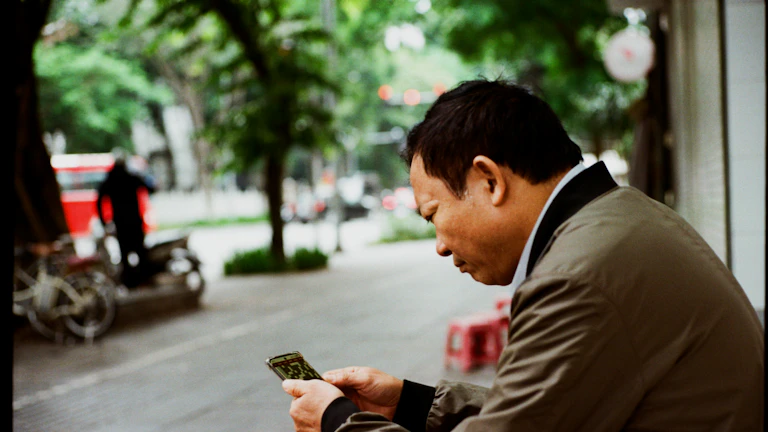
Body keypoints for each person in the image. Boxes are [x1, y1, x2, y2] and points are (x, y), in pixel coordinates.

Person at [281, 79, 765, 432]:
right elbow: (551, 408)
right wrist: (410, 404)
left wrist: (338, 421)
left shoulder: (578, 278)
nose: (441, 245)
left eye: (433, 214)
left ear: (489, 180)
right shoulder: (619, 219)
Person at [96, 149, 156, 288]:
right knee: (141, 252)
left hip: (121, 223)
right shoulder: (131, 176)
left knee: (125, 254)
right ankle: (144, 279)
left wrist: (104, 222)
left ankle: (130, 282)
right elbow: (150, 188)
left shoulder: (109, 180)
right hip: (134, 222)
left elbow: (98, 201)